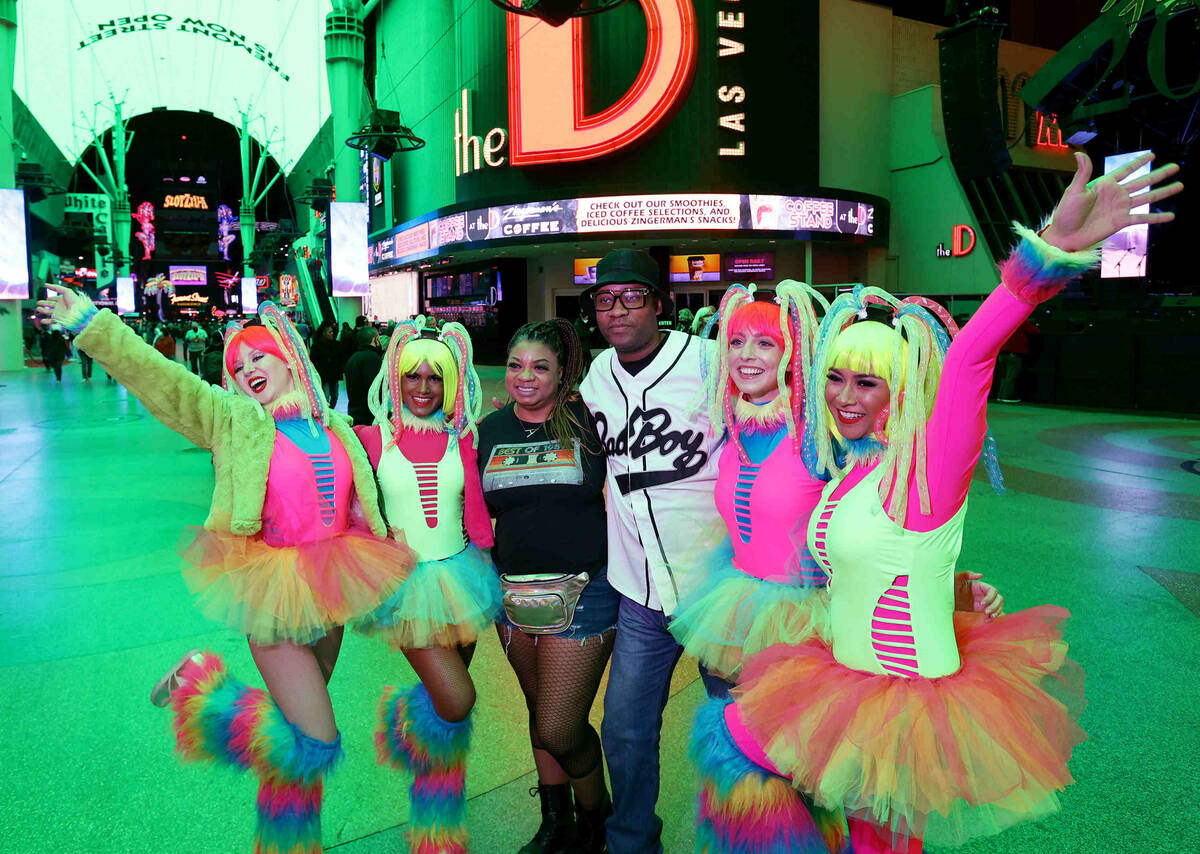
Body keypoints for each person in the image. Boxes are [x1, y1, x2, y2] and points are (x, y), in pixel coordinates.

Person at [707, 151, 1182, 854]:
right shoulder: (851, 470)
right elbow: (884, 561)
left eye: (868, 383)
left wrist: (1043, 256)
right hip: (843, 675)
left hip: (899, 703)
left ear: (903, 387)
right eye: (835, 377)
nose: (843, 396)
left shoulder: (926, 470)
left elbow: (968, 362)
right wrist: (958, 588)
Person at [35, 288, 417, 854]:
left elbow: (357, 500)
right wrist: (93, 325)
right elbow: (163, 380)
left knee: (293, 744)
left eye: (258, 355)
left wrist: (386, 539)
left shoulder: (334, 425)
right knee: (318, 737)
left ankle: (288, 845)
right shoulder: (234, 421)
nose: (247, 369)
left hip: (332, 583)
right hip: (273, 590)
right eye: (237, 365)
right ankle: (199, 690)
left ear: (289, 355)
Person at [577, 248, 726, 853]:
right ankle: (632, 841)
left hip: (719, 582)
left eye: (632, 296)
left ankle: (753, 837)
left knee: (740, 729)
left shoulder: (712, 362)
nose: (617, 310)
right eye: (605, 299)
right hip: (640, 591)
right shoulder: (595, 379)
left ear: (661, 304)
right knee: (625, 730)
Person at [352, 318, 502, 854]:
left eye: (434, 378)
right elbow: (351, 507)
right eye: (412, 376)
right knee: (456, 699)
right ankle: (406, 733)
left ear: (450, 382)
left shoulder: (464, 437)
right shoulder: (372, 438)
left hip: (464, 577)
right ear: (396, 380)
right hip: (406, 591)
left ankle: (437, 826)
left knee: (447, 713)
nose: (422, 387)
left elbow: (478, 511)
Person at [476, 320, 619, 854]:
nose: (525, 377)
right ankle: (556, 822)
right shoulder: (487, 430)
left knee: (560, 726)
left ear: (563, 375)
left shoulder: (590, 422)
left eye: (540, 367)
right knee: (540, 718)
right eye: (516, 365)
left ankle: (596, 820)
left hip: (585, 593)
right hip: (511, 596)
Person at [343, 325, 384, 426]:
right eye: (379, 338)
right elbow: (375, 389)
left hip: (355, 412)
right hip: (369, 416)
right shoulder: (372, 358)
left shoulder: (353, 357)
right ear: (375, 339)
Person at [310, 320, 343, 408]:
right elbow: (312, 360)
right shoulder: (317, 346)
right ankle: (327, 413)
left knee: (335, 396)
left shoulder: (336, 344)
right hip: (324, 375)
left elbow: (341, 357)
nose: (332, 334)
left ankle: (331, 410)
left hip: (334, 374)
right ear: (324, 333)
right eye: (330, 332)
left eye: (332, 332)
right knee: (326, 396)